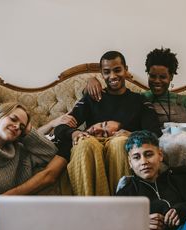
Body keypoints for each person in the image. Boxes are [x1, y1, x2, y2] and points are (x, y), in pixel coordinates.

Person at [54, 50, 160, 195]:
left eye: (117, 70)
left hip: (120, 145)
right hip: (93, 144)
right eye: (107, 72)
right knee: (84, 143)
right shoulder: (92, 98)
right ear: (101, 74)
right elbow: (60, 127)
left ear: (126, 70)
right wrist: (74, 133)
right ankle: (88, 210)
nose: (113, 76)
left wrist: (132, 134)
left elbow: (155, 133)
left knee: (120, 142)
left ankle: (120, 208)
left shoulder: (140, 100)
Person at [86, 47, 186, 136]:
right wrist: (91, 80)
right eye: (152, 76)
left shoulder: (185, 101)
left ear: (171, 77)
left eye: (162, 77)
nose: (157, 81)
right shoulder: (139, 100)